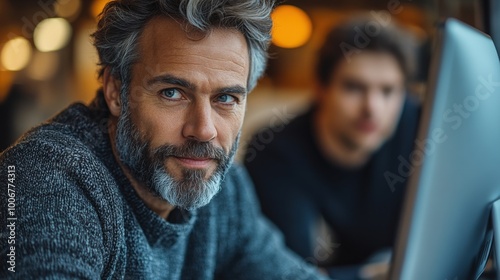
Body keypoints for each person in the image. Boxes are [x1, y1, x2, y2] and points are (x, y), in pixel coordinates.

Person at [0, 1, 329, 279]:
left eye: (226, 98)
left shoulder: (224, 189)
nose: (203, 130)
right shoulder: (46, 177)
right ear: (115, 90)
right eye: (172, 93)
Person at [244, 16, 421, 276]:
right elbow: (290, 272)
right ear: (320, 88)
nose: (372, 108)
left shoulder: (419, 128)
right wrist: (371, 274)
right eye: (354, 87)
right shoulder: (274, 152)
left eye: (387, 91)